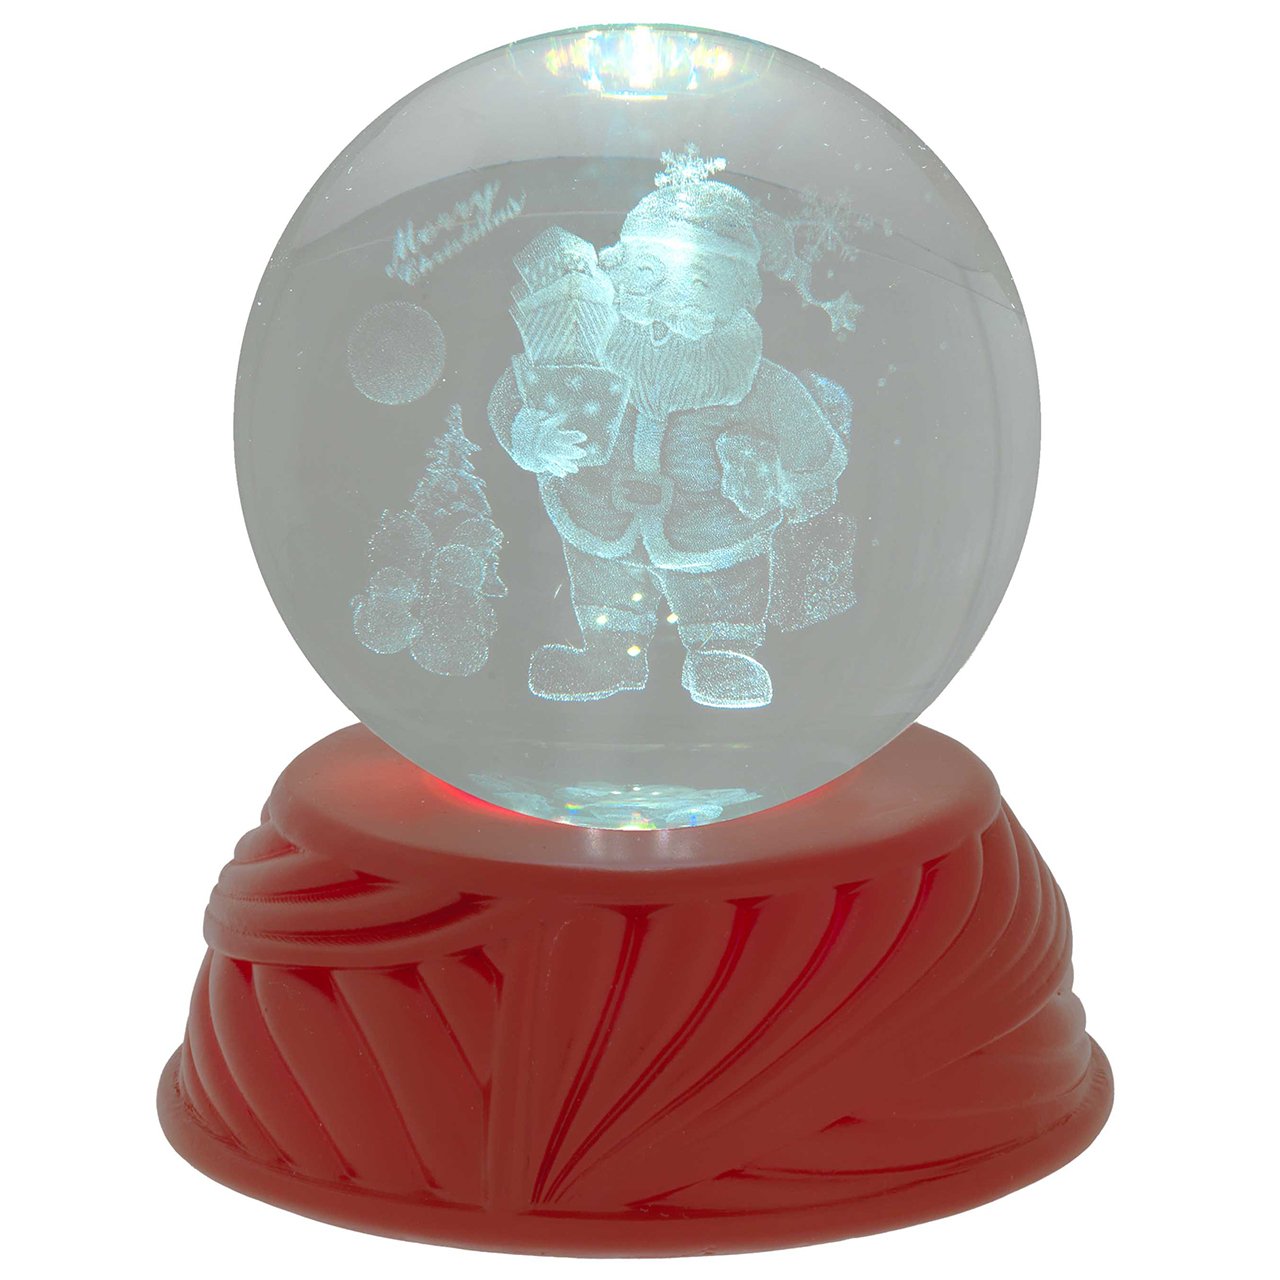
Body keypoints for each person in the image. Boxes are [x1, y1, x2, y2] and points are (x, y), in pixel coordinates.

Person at [489, 170, 847, 708]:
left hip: (715, 532)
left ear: (732, 294)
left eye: (696, 284)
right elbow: (515, 393)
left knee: (722, 590)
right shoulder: (580, 351)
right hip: (599, 516)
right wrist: (527, 435)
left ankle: (721, 653)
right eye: (646, 274)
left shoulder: (759, 384)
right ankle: (608, 654)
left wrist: (805, 483)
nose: (665, 305)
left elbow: (804, 435)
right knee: (603, 583)